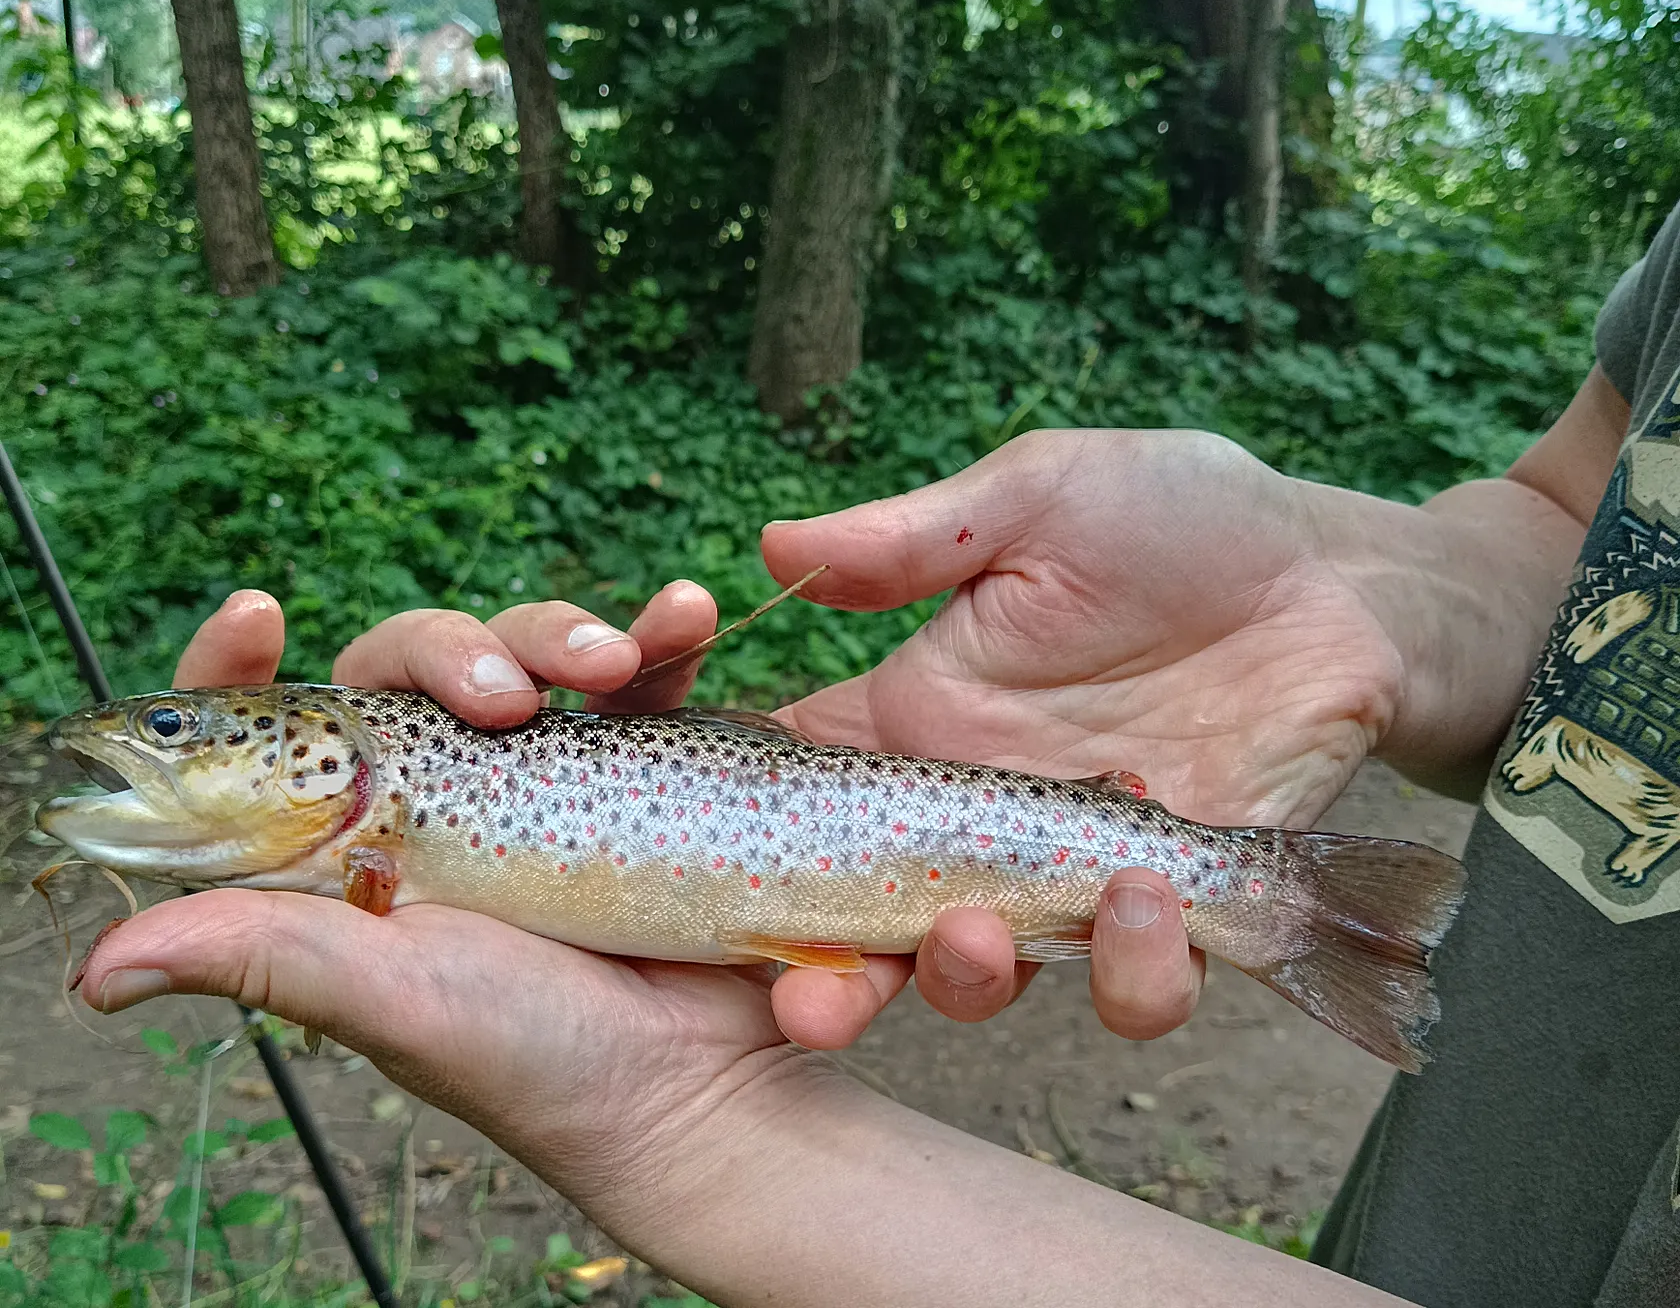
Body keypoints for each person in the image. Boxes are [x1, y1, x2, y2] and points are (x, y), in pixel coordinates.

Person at [73, 204, 1680, 1308]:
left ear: (298, 758)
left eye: (173, 738)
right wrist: (1352, 603)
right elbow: (1583, 534)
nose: (149, 750)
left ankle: (1259, 898)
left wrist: (682, 1138)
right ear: (327, 764)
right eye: (170, 736)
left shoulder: (378, 806)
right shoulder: (379, 815)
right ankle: (1260, 896)